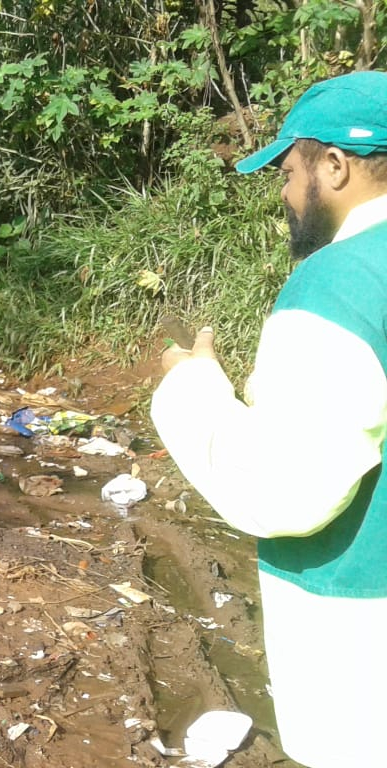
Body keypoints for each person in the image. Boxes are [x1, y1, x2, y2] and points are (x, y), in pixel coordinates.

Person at [151, 71, 387, 768]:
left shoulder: (341, 284)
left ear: (336, 166)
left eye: (288, 172)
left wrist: (191, 385)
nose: (284, 195)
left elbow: (286, 487)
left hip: (362, 635)